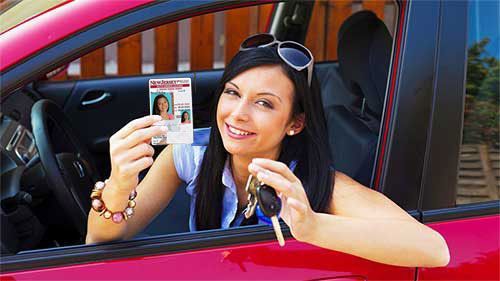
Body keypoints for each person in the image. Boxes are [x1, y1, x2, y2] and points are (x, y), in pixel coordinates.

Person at [86, 34, 450, 267]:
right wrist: (119, 184)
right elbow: (99, 240)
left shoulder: (309, 182)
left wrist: (311, 225)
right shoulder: (190, 153)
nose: (237, 114)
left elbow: (434, 249)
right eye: (232, 93)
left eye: (264, 103)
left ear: (295, 123)